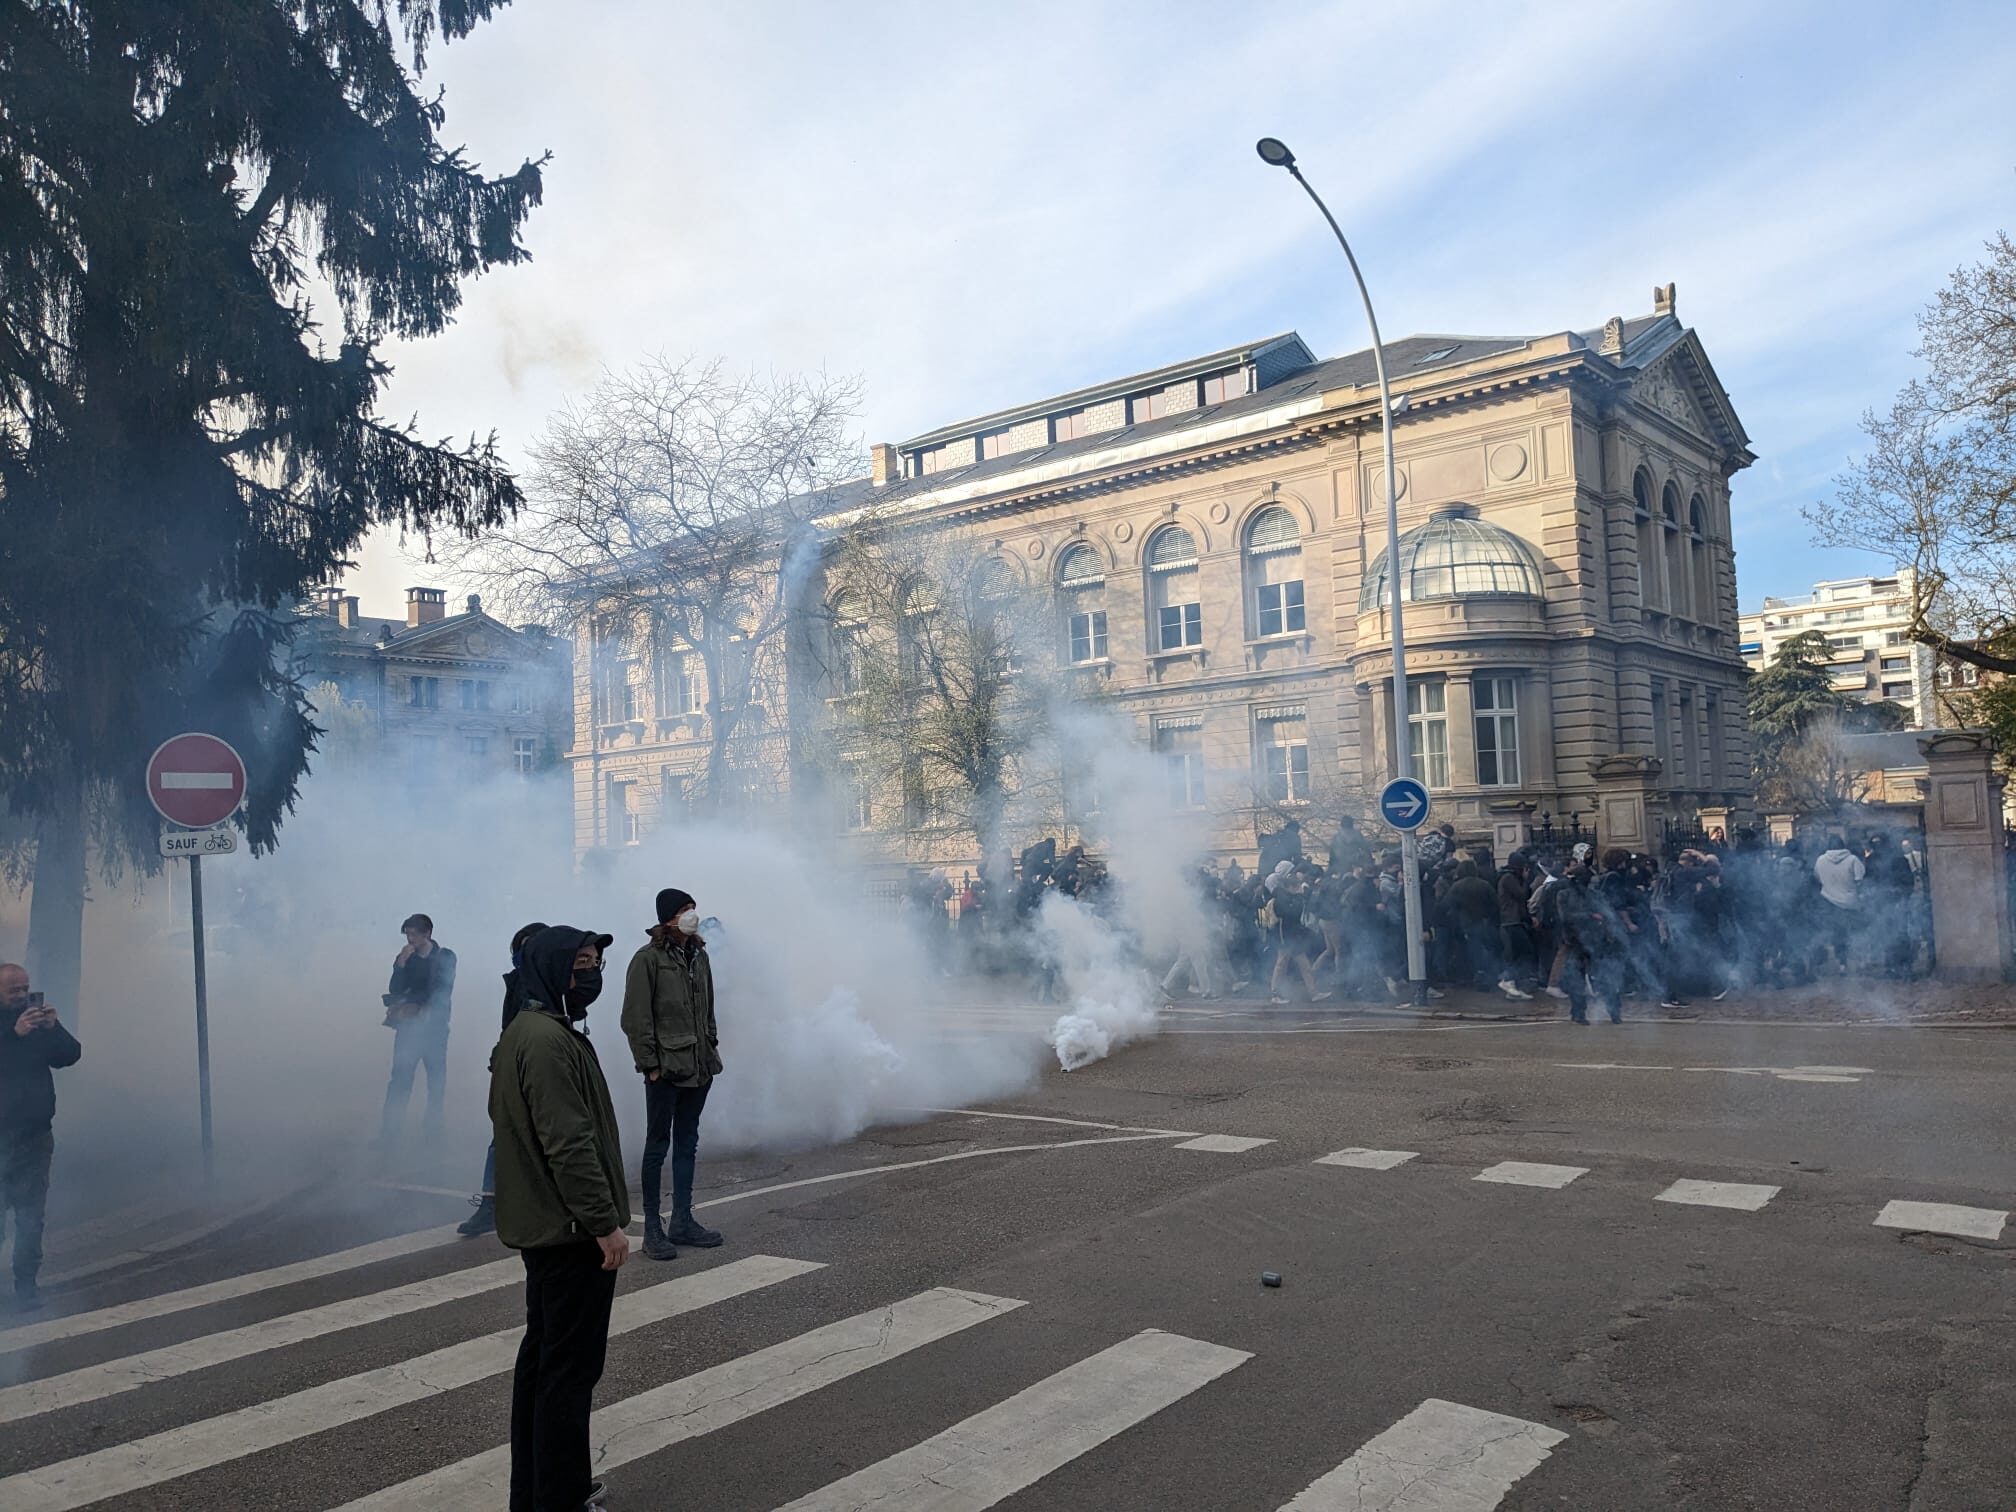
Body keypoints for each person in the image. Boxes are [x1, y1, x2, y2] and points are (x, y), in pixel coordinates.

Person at [491, 925, 628, 1512]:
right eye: (579, 964)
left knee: (545, 1365)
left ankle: (541, 1491)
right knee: (568, 1374)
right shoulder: (546, 1041)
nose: (590, 973)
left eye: (595, 962)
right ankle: (562, 1497)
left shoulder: (530, 1031)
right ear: (549, 969)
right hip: (569, 1231)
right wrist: (604, 1224)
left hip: (550, 1227)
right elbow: (568, 1143)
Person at [621, 888, 724, 1262]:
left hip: (698, 1067)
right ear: (667, 917)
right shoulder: (647, 960)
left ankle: (682, 1220)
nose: (691, 915)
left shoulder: (699, 956)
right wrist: (650, 1065)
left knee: (687, 1142)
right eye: (684, 909)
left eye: (693, 908)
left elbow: (708, 1007)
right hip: (665, 1070)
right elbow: (635, 1018)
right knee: (657, 1146)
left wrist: (710, 1044)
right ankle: (653, 1228)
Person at [460, 921, 549, 1239]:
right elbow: (509, 1028)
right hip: (516, 1064)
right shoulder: (517, 983)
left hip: (547, 1067)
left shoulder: (556, 981)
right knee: (504, 1133)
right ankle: (490, 1205)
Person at [1, 964, 81, 1311]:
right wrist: (12, 1034)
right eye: (13, 991)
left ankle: (27, 1287)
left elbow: (70, 1055)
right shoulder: (12, 1028)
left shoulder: (37, 1023)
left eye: (25, 989)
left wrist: (53, 1028)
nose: (21, 997)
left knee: (31, 1217)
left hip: (34, 1138)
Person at [380, 912, 457, 1143]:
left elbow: (441, 989)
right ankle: (390, 1132)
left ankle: (432, 1132)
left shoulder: (444, 957)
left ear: (428, 933)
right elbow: (395, 988)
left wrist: (416, 1003)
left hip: (434, 1030)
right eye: (407, 934)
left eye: (414, 934)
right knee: (400, 1079)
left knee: (436, 1082)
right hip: (409, 1029)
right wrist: (400, 965)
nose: (410, 939)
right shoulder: (407, 957)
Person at [1813, 833, 1865, 974]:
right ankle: (1860, 962)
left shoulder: (1820, 860)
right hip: (1851, 903)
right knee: (1856, 933)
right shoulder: (1853, 860)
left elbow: (1818, 878)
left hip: (1829, 902)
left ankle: (1842, 964)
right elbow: (1860, 879)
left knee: (1838, 934)